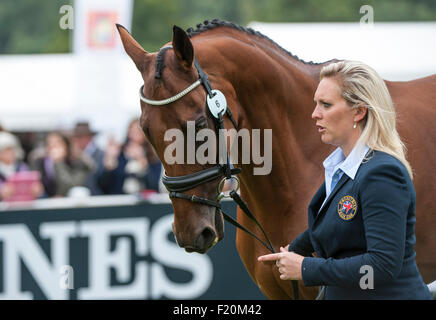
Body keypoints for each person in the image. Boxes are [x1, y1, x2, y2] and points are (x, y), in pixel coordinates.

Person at [258, 61, 432, 300]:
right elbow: (340, 222)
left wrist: (307, 268)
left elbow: (380, 268)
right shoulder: (345, 167)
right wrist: (295, 249)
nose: (315, 114)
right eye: (316, 104)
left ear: (359, 112)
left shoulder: (382, 173)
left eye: (326, 105)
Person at [98, 119, 162, 195]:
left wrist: (142, 162)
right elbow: (103, 186)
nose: (134, 135)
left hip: (144, 204)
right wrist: (109, 167)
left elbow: (154, 187)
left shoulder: (152, 157)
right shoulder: (119, 155)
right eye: (131, 131)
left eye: (138, 131)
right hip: (120, 201)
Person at [30, 131, 94, 197]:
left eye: (57, 144)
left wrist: (58, 163)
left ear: (67, 146)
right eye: (49, 144)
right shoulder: (40, 162)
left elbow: (71, 186)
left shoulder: (79, 163)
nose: (53, 147)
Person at [0, 131, 43, 201]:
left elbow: (36, 189)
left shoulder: (23, 167)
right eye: (5, 150)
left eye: (11, 149)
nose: (9, 153)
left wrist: (37, 190)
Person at [71, 121, 105, 195]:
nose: (76, 140)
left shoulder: (101, 154)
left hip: (97, 197)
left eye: (79, 137)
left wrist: (83, 157)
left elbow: (100, 175)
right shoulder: (72, 156)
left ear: (89, 138)